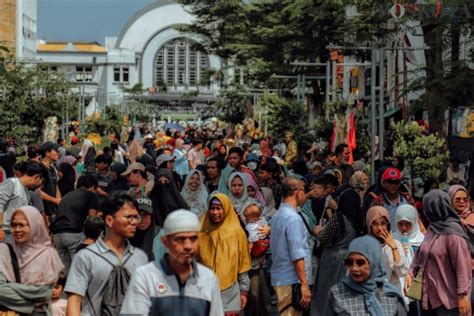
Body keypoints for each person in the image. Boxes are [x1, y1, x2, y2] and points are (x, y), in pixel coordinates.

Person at [120, 209, 223, 315]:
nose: (188, 246)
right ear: (165, 242)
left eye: (193, 239)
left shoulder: (209, 279)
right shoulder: (145, 276)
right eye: (180, 239)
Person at [65, 192, 148, 316]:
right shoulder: (86, 257)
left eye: (136, 217)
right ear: (109, 220)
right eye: (128, 217)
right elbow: (74, 301)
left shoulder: (140, 257)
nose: (134, 222)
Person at [406, 190, 472, 316]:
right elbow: (421, 254)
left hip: (449, 301)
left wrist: (462, 295)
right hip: (430, 299)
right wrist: (410, 272)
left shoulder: (453, 234)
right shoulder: (432, 229)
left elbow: (462, 267)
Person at [1, 206, 64, 314]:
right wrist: (31, 305)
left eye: (21, 225)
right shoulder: (4, 251)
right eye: (14, 225)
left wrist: (10, 286)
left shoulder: (48, 254)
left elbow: (45, 293)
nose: (17, 230)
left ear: (35, 225)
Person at [312, 189, 362, 316]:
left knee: (325, 293)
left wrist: (317, 231)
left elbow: (323, 238)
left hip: (332, 260)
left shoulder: (338, 218)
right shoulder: (358, 219)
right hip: (350, 259)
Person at [327, 235, 407, 315]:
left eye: (360, 262)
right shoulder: (338, 293)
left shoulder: (391, 296)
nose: (354, 268)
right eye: (349, 262)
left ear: (374, 262)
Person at [199, 193, 251, 315]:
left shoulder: (237, 233)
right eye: (212, 208)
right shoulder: (201, 230)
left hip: (229, 293)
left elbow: (243, 265)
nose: (215, 212)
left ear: (226, 209)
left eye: (219, 208)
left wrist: (244, 292)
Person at [270, 177, 311, 316]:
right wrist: (304, 284)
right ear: (298, 192)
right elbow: (297, 254)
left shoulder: (278, 216)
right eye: (304, 191)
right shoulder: (292, 218)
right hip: (290, 280)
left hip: (282, 278)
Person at [51, 175, 100, 272]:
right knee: (79, 270)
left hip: (57, 235)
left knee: (65, 272)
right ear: (92, 187)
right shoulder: (91, 195)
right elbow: (92, 220)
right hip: (74, 234)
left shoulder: (68, 195)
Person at [0, 162, 46, 242]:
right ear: (36, 177)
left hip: (14, 231)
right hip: (5, 231)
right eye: (39, 180)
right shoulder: (12, 183)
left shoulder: (25, 190)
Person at [366, 206, 409, 291]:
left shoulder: (396, 244)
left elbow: (402, 272)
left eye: (383, 223)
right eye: (375, 224)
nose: (379, 228)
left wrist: (393, 248)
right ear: (369, 225)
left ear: (388, 224)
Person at [393, 204, 425, 315]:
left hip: (417, 288)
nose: (404, 228)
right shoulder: (392, 240)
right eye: (400, 224)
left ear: (415, 222)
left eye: (408, 224)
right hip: (396, 288)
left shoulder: (422, 241)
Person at [129, 196, 164, 261]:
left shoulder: (161, 235)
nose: (142, 219)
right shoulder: (127, 236)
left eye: (145, 215)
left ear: (151, 216)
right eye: (138, 215)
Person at [39, 141, 61, 220]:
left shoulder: (52, 169)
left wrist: (59, 202)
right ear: (47, 153)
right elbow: (38, 192)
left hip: (53, 211)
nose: (57, 153)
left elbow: (56, 186)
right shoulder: (40, 169)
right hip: (43, 213)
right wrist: (55, 200)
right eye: (55, 150)